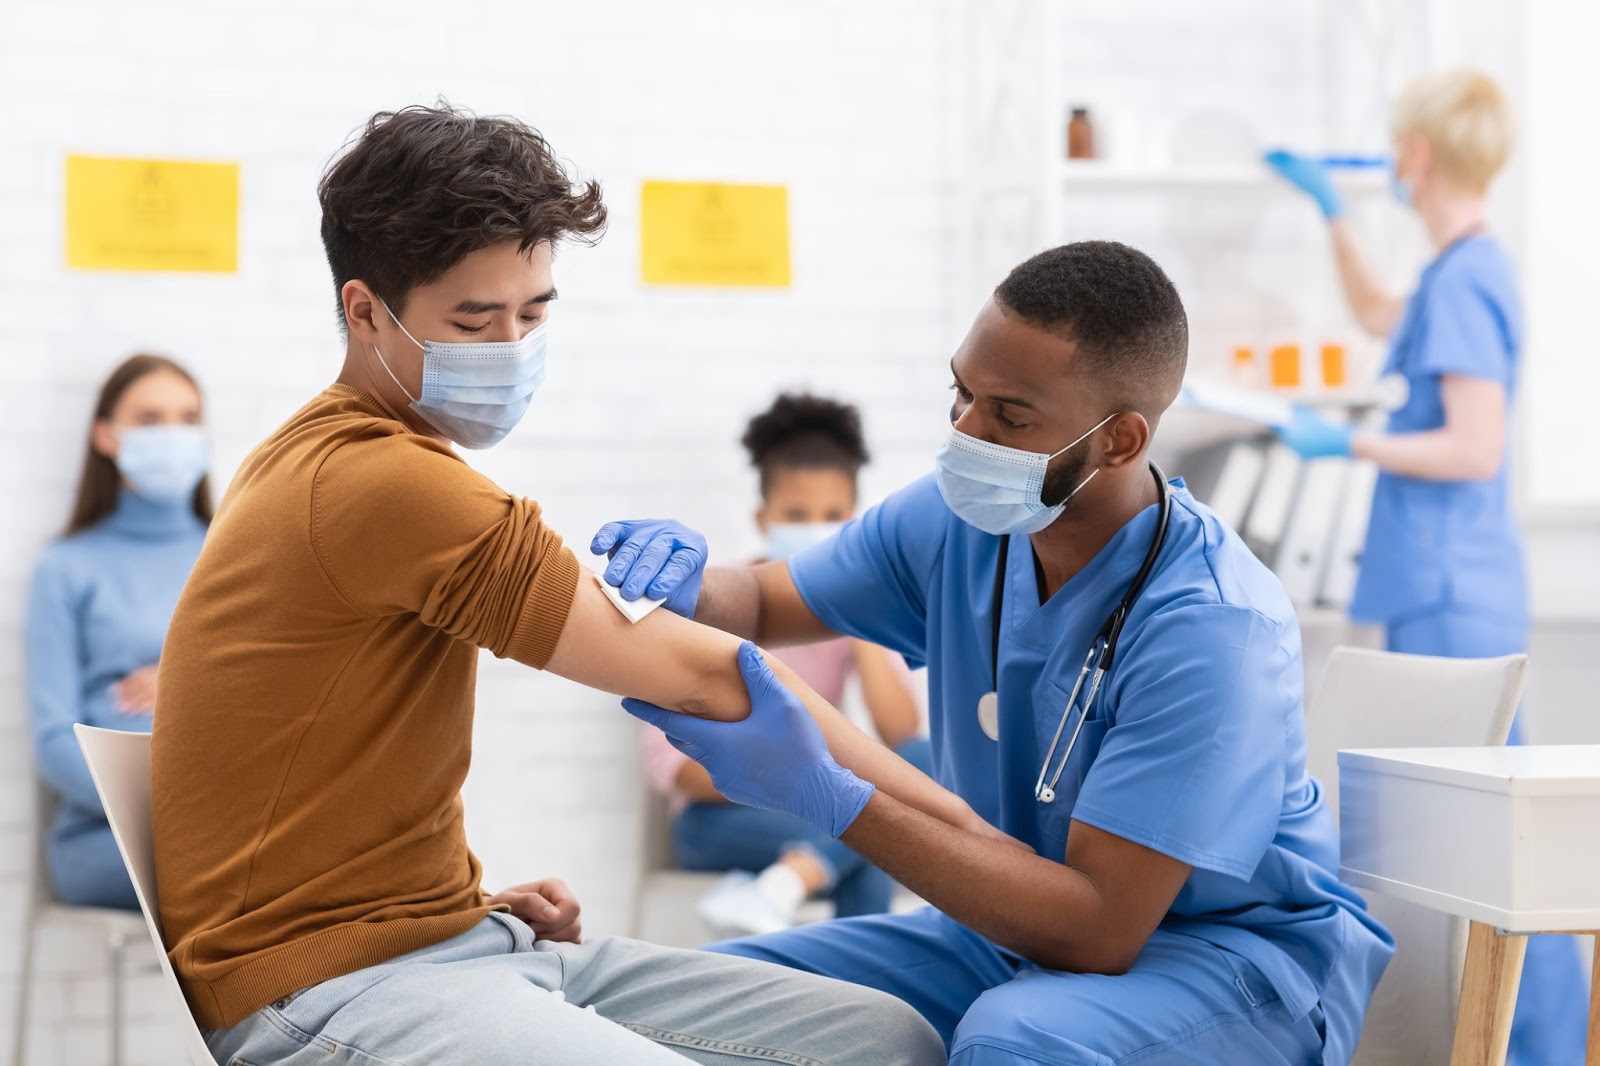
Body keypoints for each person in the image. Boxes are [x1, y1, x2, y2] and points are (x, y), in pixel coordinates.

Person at [148, 104, 962, 1066]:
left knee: (884, 1037)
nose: (509, 348)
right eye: (472, 319)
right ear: (365, 310)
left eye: (532, 314)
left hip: (453, 944)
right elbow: (706, 675)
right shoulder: (379, 481)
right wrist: (972, 848)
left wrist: (451, 902)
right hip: (323, 988)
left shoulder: (341, 458)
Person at [606, 241, 1397, 1065]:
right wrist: (688, 585)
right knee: (697, 1001)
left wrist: (834, 799)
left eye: (1010, 416)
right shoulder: (956, 525)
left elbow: (1098, 933)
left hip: (1225, 963)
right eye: (961, 393)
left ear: (1122, 440)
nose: (965, 434)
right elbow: (767, 601)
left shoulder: (1214, 629)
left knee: (1013, 1043)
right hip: (1011, 935)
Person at [1266, 69, 1587, 1066]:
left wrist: (1347, 444)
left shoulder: (1470, 277)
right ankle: (1508, 1036)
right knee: (1475, 835)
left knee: (1489, 841)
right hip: (1442, 584)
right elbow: (1376, 314)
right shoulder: (1457, 270)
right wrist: (1332, 216)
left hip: (1453, 587)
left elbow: (1472, 446)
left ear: (1414, 155)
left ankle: (1532, 1043)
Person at [645, 392, 934, 936]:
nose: (815, 529)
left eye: (833, 517)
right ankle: (863, 1001)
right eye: (797, 516)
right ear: (763, 518)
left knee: (915, 772)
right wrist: (797, 780)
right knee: (869, 830)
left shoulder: (848, 610)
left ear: (855, 521)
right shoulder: (710, 602)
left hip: (812, 807)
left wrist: (853, 613)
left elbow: (903, 738)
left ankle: (786, 885)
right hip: (718, 821)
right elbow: (673, 770)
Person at [26, 354, 211, 910]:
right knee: (248, 875)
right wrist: (166, 809)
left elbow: (285, 698)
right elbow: (54, 739)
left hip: (226, 824)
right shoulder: (68, 566)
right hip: (105, 838)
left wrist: (185, 680)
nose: (173, 435)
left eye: (188, 417)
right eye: (150, 419)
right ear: (106, 436)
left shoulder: (237, 555)